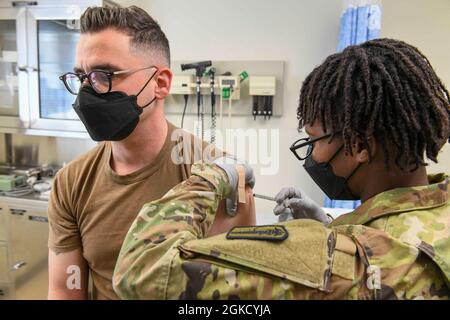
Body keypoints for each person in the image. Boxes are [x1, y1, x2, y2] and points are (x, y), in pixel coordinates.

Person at [112, 38, 450, 300]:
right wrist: (335, 225)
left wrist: (213, 176)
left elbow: (143, 271)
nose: (312, 154)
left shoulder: (336, 261)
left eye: (316, 139)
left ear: (360, 146)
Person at [47, 6, 253, 300]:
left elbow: (232, 297)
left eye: (104, 75)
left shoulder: (221, 179)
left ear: (160, 83)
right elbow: (65, 290)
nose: (86, 92)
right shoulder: (71, 182)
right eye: (81, 77)